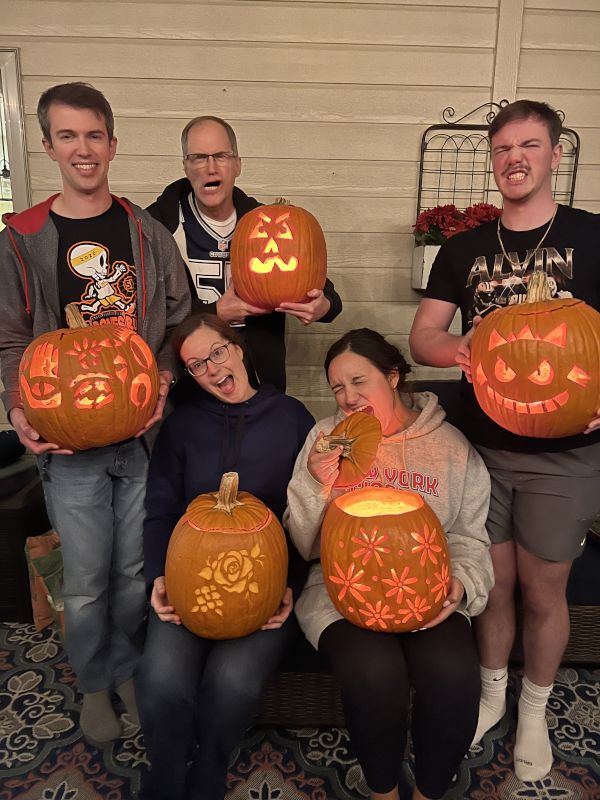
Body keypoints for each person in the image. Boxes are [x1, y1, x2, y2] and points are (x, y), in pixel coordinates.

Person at [409, 99, 600, 782]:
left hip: (565, 455)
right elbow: (422, 335)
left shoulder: (593, 235)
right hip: (481, 449)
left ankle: (534, 709)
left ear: (554, 154)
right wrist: (463, 345)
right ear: (492, 161)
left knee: (546, 593)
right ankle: (492, 694)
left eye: (529, 145)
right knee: (493, 587)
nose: (514, 159)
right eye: (502, 149)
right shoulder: (464, 249)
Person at [0, 82, 191, 743]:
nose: (84, 149)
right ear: (49, 146)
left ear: (113, 143)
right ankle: (93, 681)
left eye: (95, 135)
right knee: (84, 577)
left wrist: (162, 378)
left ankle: (129, 665)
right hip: (68, 443)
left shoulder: (147, 232)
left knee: (134, 569)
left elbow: (176, 321)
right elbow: (11, 338)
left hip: (139, 434)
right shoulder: (22, 238)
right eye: (68, 136)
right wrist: (20, 405)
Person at [285, 328, 493, 800]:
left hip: (428, 590)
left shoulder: (449, 446)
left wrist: (461, 582)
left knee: (454, 675)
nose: (348, 397)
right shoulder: (323, 438)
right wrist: (317, 486)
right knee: (374, 675)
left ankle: (429, 790)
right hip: (342, 591)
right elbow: (301, 543)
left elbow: (467, 535)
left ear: (394, 376)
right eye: (338, 387)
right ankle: (382, 791)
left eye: (360, 381)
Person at [136, 312, 315, 800]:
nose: (213, 369)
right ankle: (169, 769)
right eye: (196, 365)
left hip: (267, 587)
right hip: (186, 578)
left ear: (237, 349)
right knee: (159, 677)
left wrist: (291, 587)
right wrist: (157, 576)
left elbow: (311, 513)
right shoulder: (182, 426)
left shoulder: (293, 417)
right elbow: (159, 509)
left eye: (217, 353)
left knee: (233, 681)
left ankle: (211, 764)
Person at [147, 115, 342, 392]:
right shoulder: (155, 227)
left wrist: (323, 305)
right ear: (186, 166)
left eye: (222, 156)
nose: (211, 167)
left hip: (256, 382)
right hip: (186, 384)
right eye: (199, 157)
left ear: (238, 165)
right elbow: (148, 313)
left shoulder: (268, 222)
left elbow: (327, 295)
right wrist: (215, 313)